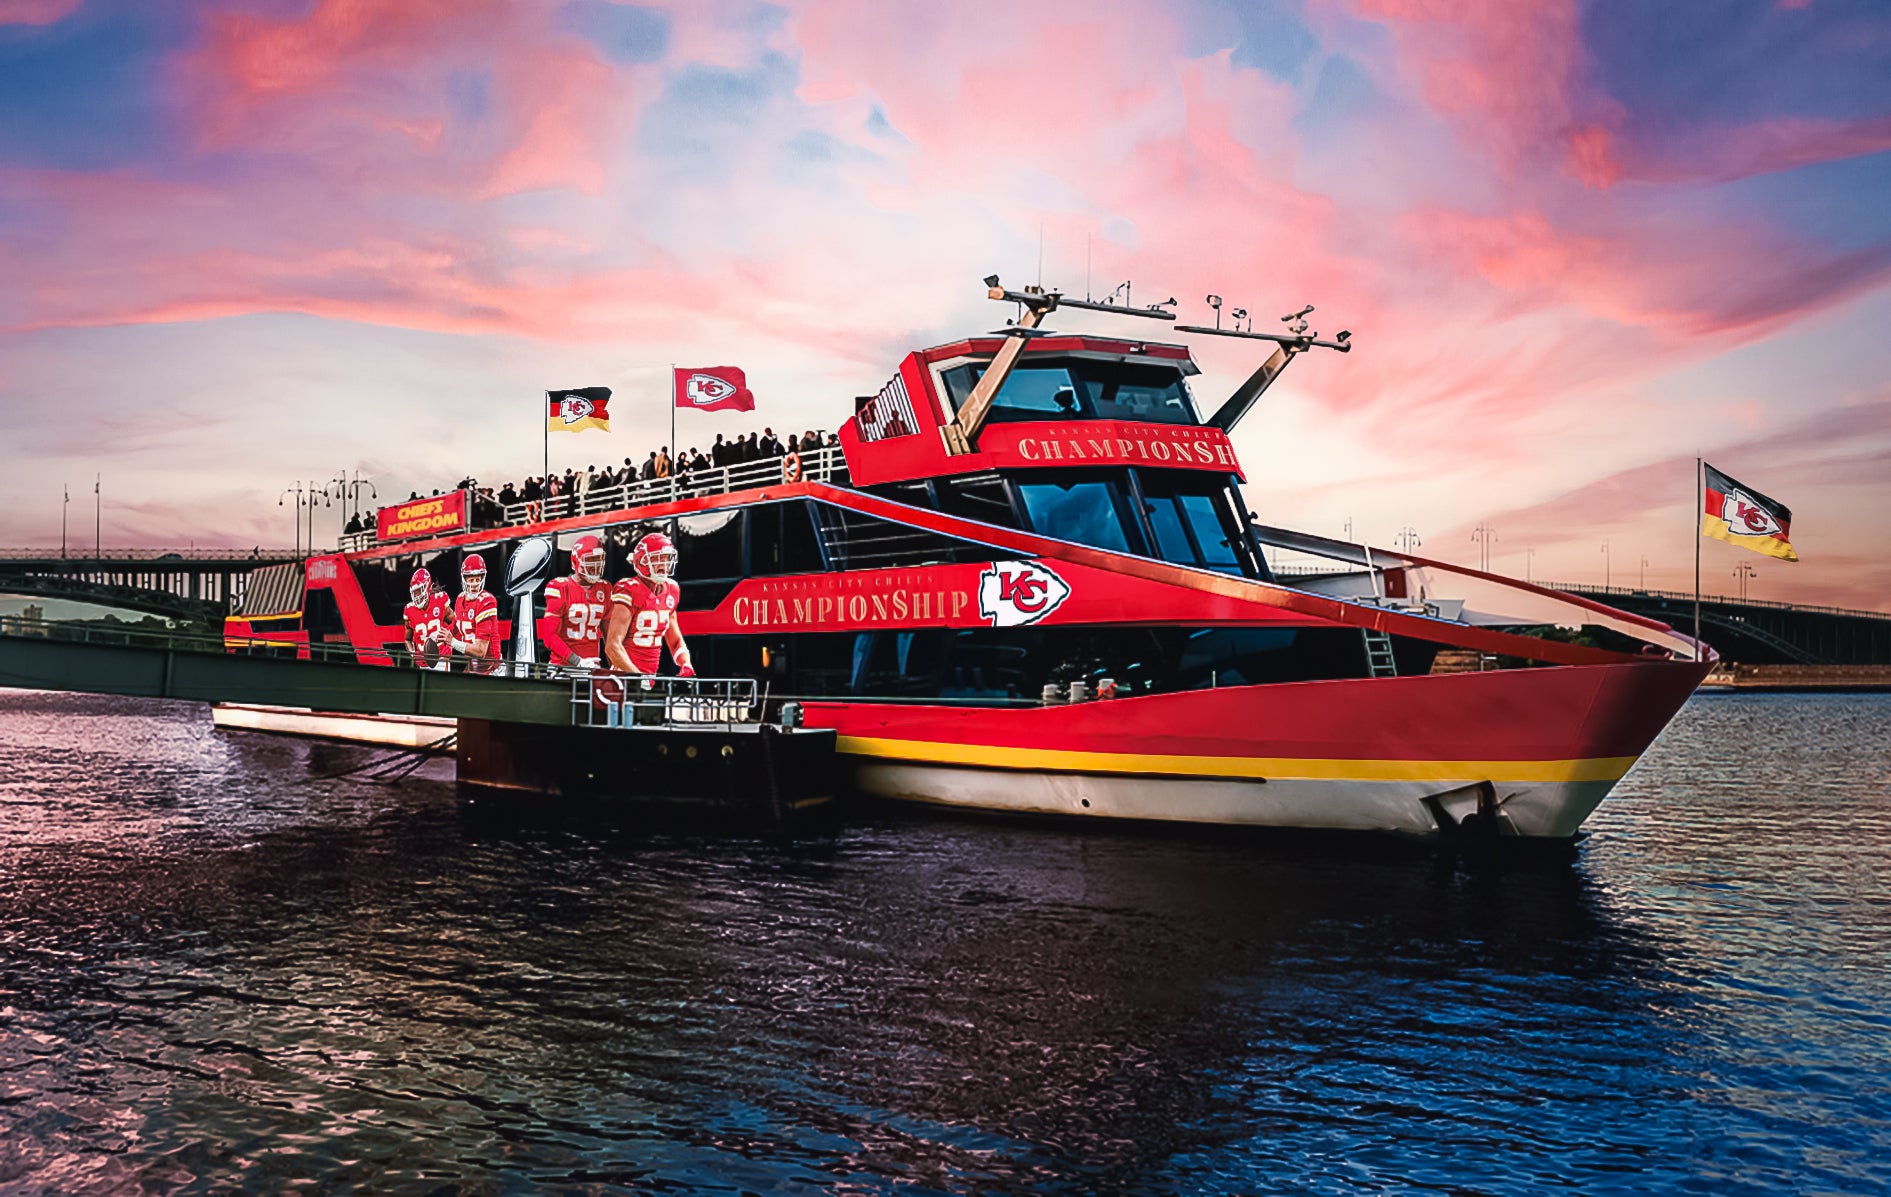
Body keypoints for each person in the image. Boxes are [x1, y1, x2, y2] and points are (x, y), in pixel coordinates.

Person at [604, 531, 693, 679]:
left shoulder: (671, 589)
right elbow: (612, 646)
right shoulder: (629, 589)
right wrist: (637, 677)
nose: (664, 565)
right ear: (642, 561)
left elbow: (675, 641)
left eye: (667, 559)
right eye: (658, 559)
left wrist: (686, 663)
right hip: (624, 678)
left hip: (649, 677)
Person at [539, 533, 609, 672]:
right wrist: (578, 661)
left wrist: (616, 667)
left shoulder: (605, 588)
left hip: (591, 668)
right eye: (591, 560)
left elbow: (610, 638)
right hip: (563, 669)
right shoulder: (561, 587)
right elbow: (549, 637)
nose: (596, 565)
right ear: (576, 562)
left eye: (599, 559)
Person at [442, 553, 501, 675]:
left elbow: (480, 651)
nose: (474, 584)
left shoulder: (487, 601)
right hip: (473, 666)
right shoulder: (460, 599)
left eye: (477, 579)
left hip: (491, 669)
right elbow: (455, 629)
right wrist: (437, 636)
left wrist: (452, 642)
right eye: (471, 580)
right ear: (464, 579)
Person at [403, 566, 451, 670]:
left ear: (427, 587)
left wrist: (449, 643)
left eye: (419, 591)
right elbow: (407, 640)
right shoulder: (409, 610)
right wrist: (413, 654)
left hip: (441, 659)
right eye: (414, 592)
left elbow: (455, 624)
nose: (417, 596)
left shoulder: (440, 601)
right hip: (422, 664)